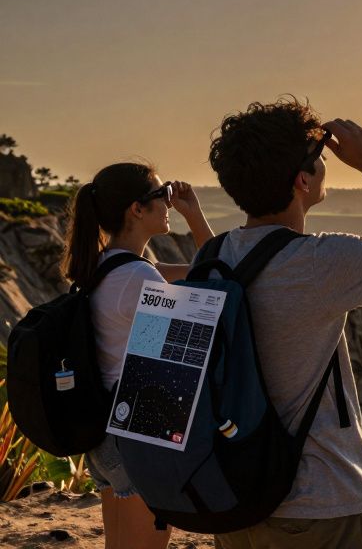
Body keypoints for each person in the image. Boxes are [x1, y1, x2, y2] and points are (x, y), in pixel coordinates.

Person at [204, 99, 362, 549]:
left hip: (235, 500)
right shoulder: (320, 262)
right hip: (320, 504)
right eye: (319, 158)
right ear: (302, 180)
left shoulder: (215, 256)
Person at [60, 164, 214, 549]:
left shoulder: (106, 266)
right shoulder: (139, 279)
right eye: (160, 194)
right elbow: (174, 361)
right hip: (137, 435)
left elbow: (177, 273)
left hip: (104, 433)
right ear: (136, 209)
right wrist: (195, 216)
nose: (168, 203)